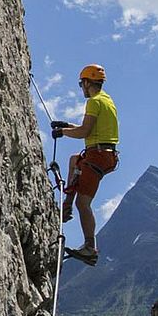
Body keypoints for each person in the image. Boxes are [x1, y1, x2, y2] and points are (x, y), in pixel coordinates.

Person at [50, 64, 118, 265]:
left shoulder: (94, 102)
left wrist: (63, 133)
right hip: (104, 154)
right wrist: (66, 126)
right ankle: (67, 205)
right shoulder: (106, 101)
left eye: (82, 83)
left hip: (97, 154)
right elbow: (87, 129)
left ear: (87, 83)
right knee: (74, 160)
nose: (82, 87)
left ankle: (90, 247)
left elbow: (84, 132)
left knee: (84, 202)